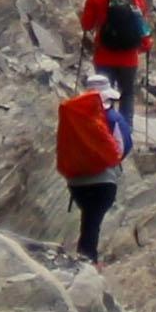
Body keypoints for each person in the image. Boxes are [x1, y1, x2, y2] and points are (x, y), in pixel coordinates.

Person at [78, 0, 153, 158]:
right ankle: (125, 135)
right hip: (129, 57)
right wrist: (144, 45)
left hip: (104, 55)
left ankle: (102, 134)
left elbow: (86, 25)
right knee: (127, 94)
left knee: (103, 96)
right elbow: (141, 25)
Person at [54, 81, 126, 263]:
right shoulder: (111, 119)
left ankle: (87, 258)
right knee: (92, 223)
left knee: (89, 221)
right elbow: (122, 147)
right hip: (104, 180)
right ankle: (87, 261)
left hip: (76, 182)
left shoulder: (72, 115)